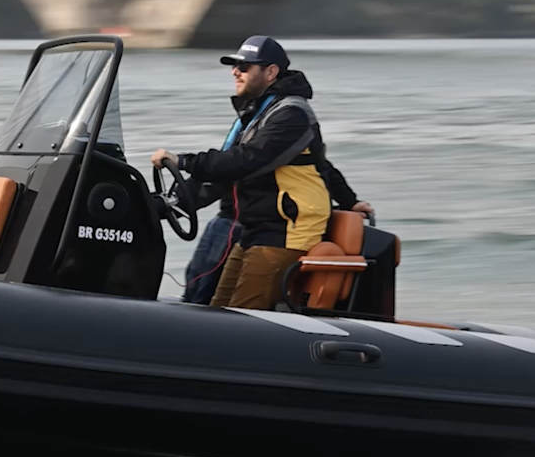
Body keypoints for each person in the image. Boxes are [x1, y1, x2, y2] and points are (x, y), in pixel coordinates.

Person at [152, 36, 371, 311]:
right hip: (256, 229)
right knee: (217, 310)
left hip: (286, 231)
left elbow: (247, 160)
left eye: (244, 67)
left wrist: (182, 160)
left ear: (270, 72)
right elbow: (319, 164)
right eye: (235, 66)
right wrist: (167, 204)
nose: (235, 72)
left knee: (241, 317)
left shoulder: (291, 115)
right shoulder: (258, 113)